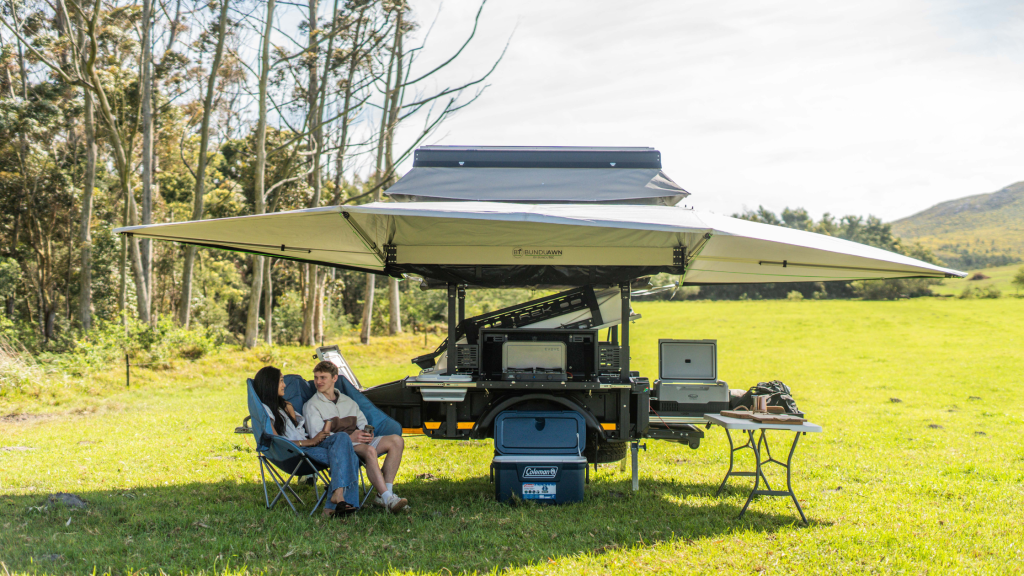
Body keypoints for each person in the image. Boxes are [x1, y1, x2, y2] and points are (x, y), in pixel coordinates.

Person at [252, 365, 360, 517]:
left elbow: (299, 430)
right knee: (349, 455)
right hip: (294, 453)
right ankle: (333, 506)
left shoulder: (285, 405)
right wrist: (309, 442)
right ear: (270, 384)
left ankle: (338, 497)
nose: (284, 385)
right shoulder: (265, 411)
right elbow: (277, 441)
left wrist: (315, 438)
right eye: (281, 381)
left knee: (342, 438)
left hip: (311, 446)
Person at [303, 360, 409, 513]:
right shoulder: (312, 405)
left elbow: (362, 421)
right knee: (370, 451)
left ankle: (385, 493)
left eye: (323, 377)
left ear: (334, 378)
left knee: (396, 441)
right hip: (339, 445)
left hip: (358, 441)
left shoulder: (348, 401)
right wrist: (351, 437)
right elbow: (318, 436)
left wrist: (366, 433)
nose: (318, 382)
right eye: (316, 377)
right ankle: (388, 499)